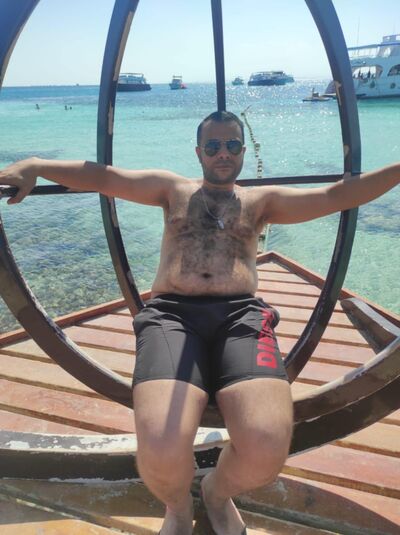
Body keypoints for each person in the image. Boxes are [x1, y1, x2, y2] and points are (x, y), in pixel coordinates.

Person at [0, 111, 399, 535]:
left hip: (242, 317)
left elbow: (338, 195)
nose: (223, 153)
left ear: (242, 151)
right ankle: (176, 507)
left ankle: (216, 493)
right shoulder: (173, 190)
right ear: (198, 152)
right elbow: (104, 176)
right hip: (171, 316)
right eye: (213, 146)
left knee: (266, 448)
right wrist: (36, 166)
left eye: (232, 145)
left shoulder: (260, 202)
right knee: (159, 446)